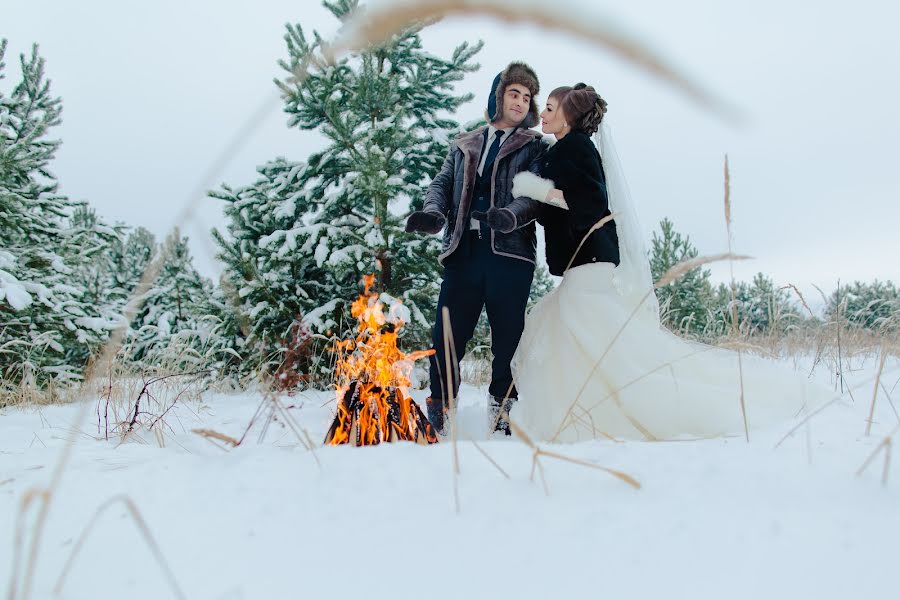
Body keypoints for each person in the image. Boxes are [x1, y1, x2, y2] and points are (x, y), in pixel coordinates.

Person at [495, 83, 831, 442]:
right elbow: (560, 212)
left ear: (569, 115)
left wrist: (538, 190)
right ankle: (588, 411)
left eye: (549, 107)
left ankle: (613, 411)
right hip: (588, 259)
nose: (542, 114)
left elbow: (591, 204)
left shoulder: (575, 147)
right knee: (580, 334)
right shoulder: (564, 150)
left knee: (580, 332)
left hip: (589, 259)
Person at [405, 62, 549, 436]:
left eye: (527, 97)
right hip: (463, 254)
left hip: (510, 256)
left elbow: (534, 195)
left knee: (508, 343)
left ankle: (502, 418)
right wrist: (434, 214)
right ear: (497, 95)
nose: (520, 102)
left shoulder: (534, 146)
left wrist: (509, 216)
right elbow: (441, 184)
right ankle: (441, 416)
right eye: (513, 93)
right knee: (446, 338)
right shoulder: (464, 143)